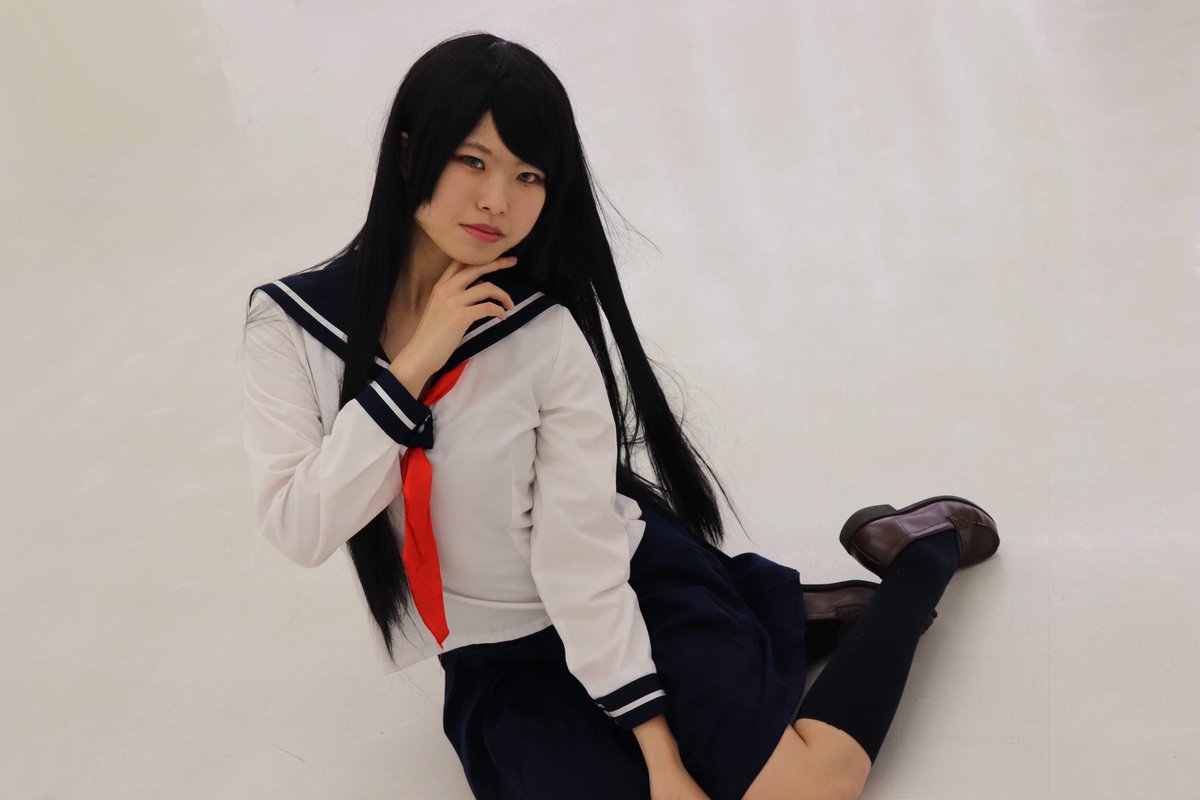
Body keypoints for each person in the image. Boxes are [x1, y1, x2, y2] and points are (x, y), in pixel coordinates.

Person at [239, 31, 1001, 800]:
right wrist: (409, 370)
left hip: (624, 587)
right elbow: (302, 526)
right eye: (472, 160)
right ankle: (775, 617)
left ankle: (918, 556)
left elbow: (575, 552)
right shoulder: (289, 328)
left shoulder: (542, 335)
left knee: (805, 788)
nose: (497, 199)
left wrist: (660, 756)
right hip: (499, 658)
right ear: (409, 153)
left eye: (529, 174)